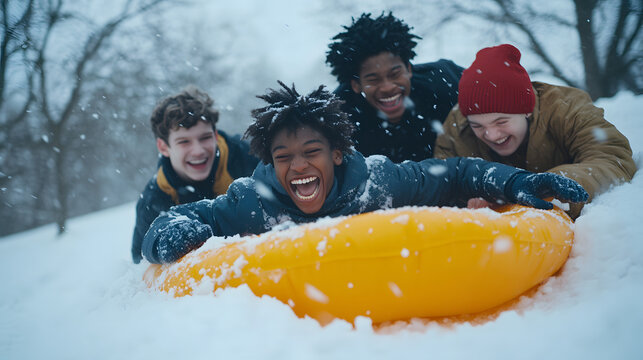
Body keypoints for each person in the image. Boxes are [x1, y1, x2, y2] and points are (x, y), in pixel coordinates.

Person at [140, 81, 588, 264]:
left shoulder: (376, 184)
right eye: (283, 158)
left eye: (311, 152)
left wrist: (518, 182)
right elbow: (184, 219)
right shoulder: (255, 202)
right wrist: (167, 237)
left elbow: (454, 173)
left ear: (336, 153)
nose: (297, 167)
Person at [434, 44, 636, 218]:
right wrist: (471, 196)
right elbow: (441, 185)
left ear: (527, 111)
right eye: (477, 126)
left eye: (501, 121)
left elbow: (612, 159)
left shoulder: (568, 111)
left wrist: (552, 186)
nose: (492, 135)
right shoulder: (456, 129)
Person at [131, 86, 259, 263]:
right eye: (184, 142)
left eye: (205, 138)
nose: (198, 151)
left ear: (215, 135)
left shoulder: (249, 157)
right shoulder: (154, 200)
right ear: (163, 147)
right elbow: (140, 262)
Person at [325, 12, 463, 162]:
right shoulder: (338, 117)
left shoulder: (444, 82)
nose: (387, 87)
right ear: (356, 85)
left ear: (409, 69)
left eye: (395, 74)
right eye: (373, 79)